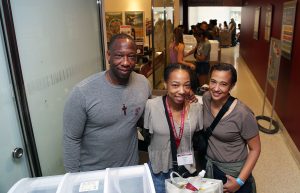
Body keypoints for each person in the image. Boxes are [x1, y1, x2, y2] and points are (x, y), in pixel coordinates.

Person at [63, 33, 151, 172]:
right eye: (119, 56)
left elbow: (146, 117)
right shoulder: (82, 93)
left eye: (131, 56)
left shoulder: (143, 83)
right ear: (108, 56)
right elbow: (71, 140)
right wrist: (74, 180)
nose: (126, 62)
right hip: (94, 174)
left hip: (130, 169)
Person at [144, 63, 203, 193]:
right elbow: (147, 134)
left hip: (187, 170)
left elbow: (198, 139)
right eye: (175, 85)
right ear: (165, 84)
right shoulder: (151, 106)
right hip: (159, 171)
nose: (182, 90)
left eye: (186, 85)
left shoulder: (196, 108)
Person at [203, 63, 261, 193]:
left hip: (233, 174)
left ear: (232, 86)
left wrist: (240, 181)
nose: (216, 88)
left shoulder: (243, 114)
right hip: (210, 168)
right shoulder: (207, 98)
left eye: (223, 84)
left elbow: (255, 149)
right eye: (213, 82)